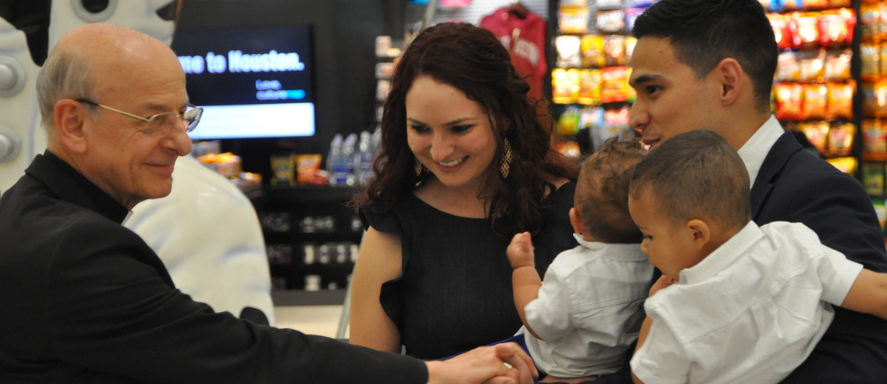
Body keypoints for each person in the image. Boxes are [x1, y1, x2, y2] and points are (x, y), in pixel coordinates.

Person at [0, 23, 538, 384]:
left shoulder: (39, 222)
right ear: (74, 123)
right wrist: (433, 374)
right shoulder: (73, 248)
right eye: (153, 119)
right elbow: (245, 358)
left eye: (182, 116)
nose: (182, 142)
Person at [622, 0, 887, 382]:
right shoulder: (660, 194)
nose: (635, 116)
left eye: (652, 89)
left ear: (728, 82)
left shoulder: (820, 193)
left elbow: (859, 361)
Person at [349, 21, 580, 360]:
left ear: (502, 115)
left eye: (459, 128)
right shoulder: (394, 227)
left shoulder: (576, 207)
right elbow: (369, 374)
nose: (440, 151)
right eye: (421, 129)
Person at [626, 130, 887, 384]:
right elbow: (878, 292)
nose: (644, 247)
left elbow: (644, 378)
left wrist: (654, 314)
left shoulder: (674, 314)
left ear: (696, 233)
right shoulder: (794, 243)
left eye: (649, 236)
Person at [506, 138, 653, 382]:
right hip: (606, 369)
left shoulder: (572, 271)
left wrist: (523, 269)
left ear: (577, 220)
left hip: (548, 365)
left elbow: (540, 326)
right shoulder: (653, 263)